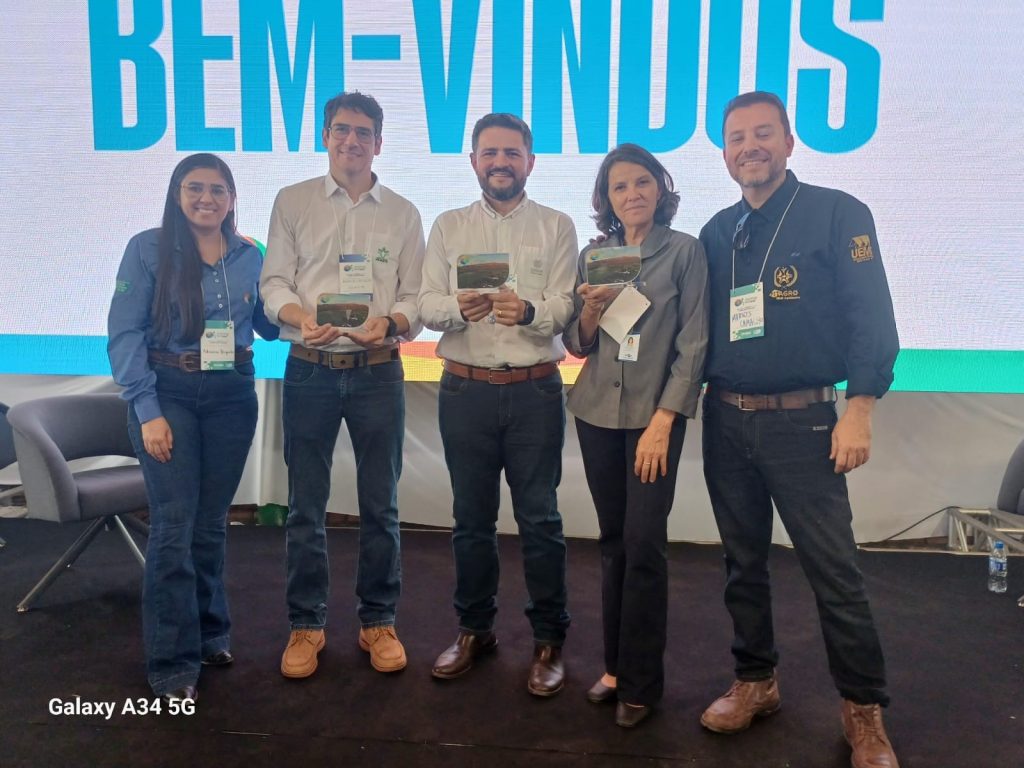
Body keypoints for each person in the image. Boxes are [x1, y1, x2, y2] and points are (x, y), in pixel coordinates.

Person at [698, 91, 901, 768]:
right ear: (724, 153)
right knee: (741, 565)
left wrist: (860, 407)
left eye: (763, 133)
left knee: (834, 572)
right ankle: (756, 681)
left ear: (789, 142)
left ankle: (863, 709)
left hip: (807, 422)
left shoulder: (839, 213)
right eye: (737, 138)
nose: (749, 147)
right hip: (726, 420)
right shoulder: (716, 232)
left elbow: (872, 317)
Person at [260, 91, 425, 678]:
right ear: (325, 136)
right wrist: (300, 317)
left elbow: (414, 297)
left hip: (378, 369)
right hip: (309, 366)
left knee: (381, 505)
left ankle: (378, 620)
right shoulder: (293, 201)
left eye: (362, 132)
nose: (351, 140)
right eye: (341, 130)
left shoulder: (403, 213)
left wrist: (392, 323)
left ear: (378, 143)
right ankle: (306, 625)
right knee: (306, 506)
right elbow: (274, 283)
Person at [108, 152, 279, 703]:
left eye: (217, 189)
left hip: (232, 395)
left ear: (232, 198)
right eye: (195, 188)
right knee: (174, 525)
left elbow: (270, 325)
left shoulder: (251, 254)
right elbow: (124, 334)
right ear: (177, 194)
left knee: (209, 525)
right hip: (169, 393)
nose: (207, 198)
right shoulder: (147, 248)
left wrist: (315, 303)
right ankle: (171, 662)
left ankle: (210, 635)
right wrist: (147, 410)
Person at [418, 113, 576, 696]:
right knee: (471, 520)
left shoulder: (557, 225)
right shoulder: (448, 226)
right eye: (490, 153)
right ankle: (474, 630)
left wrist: (530, 312)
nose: (501, 162)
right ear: (474, 161)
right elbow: (425, 304)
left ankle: (549, 641)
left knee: (540, 519)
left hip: (535, 390)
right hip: (465, 391)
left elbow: (566, 305)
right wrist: (458, 308)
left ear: (530, 161)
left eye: (512, 153)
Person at [563, 143, 708, 727]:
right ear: (607, 198)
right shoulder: (594, 256)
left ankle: (643, 683)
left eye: (642, 182)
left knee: (645, 544)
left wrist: (665, 421)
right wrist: (592, 311)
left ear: (660, 188)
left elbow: (694, 344)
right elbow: (578, 343)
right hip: (596, 412)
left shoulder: (685, 252)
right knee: (613, 542)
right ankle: (616, 668)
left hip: (654, 419)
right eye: (620, 187)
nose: (632, 194)